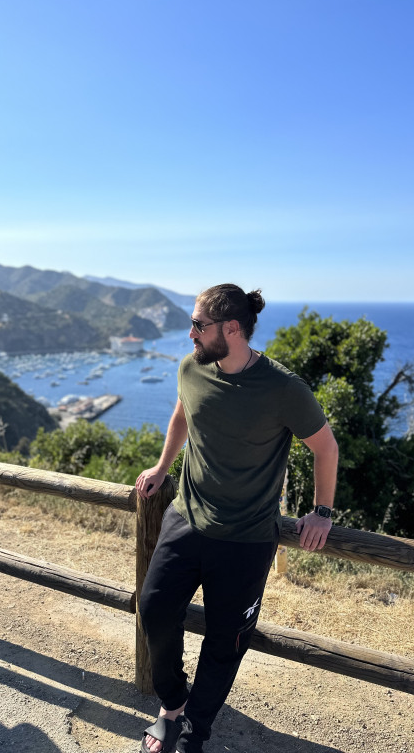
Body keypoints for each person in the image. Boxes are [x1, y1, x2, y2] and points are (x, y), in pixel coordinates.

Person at [135, 283, 338, 753]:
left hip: (246, 537)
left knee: (226, 641)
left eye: (197, 325)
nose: (190, 334)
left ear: (231, 328)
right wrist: (163, 467)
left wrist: (322, 512)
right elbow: (183, 414)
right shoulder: (191, 368)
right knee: (154, 608)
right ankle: (172, 704)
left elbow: (326, 448)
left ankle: (194, 730)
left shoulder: (283, 388)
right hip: (186, 519)